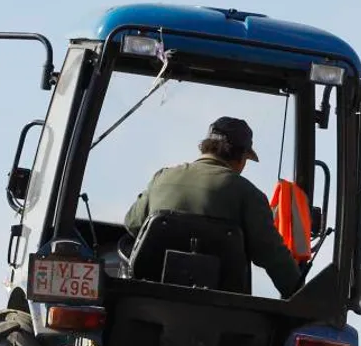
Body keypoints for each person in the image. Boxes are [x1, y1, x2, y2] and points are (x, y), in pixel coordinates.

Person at [123, 117, 303, 297]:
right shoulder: (248, 194)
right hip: (220, 312)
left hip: (149, 298)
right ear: (241, 157)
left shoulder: (162, 178)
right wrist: (300, 294)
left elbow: (133, 223)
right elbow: (271, 253)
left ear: (205, 147)